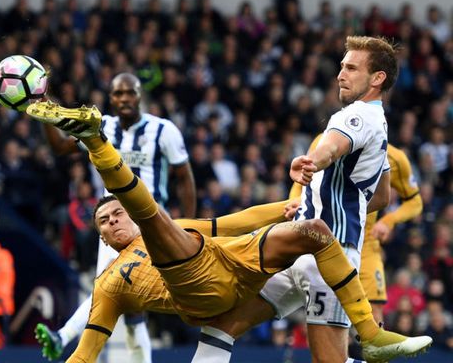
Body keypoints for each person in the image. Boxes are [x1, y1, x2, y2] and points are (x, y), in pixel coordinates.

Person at [25, 98, 431, 363]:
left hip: (233, 262)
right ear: (100, 237)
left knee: (312, 231)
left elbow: (231, 223)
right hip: (195, 287)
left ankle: (371, 335)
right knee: (149, 211)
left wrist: (286, 208)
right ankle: (96, 141)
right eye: (104, 221)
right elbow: (88, 350)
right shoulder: (110, 284)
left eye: (116, 214)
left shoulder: (177, 227)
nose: (114, 221)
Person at [192, 36, 407, 363]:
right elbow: (382, 195)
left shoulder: (358, 115)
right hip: (299, 249)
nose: (340, 74)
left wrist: (311, 162)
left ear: (377, 78)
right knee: (220, 327)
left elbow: (331, 148)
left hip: (328, 257)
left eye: (351, 67)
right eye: (341, 66)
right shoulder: (379, 124)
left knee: (328, 360)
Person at [35, 72, 196, 362]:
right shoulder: (102, 125)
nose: (124, 99)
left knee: (110, 289)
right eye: (118, 94)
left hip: (150, 221)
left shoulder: (164, 130)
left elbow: (184, 177)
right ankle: (65, 338)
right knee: (128, 305)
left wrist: (190, 224)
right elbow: (60, 148)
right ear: (110, 98)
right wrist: (44, 108)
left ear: (139, 96)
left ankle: (64, 336)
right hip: (111, 221)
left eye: (130, 93)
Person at [289, 138, 423, 326]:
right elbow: (301, 181)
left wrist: (388, 221)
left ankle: (373, 353)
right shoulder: (325, 141)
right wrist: (296, 202)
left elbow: (415, 202)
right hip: (325, 233)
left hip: (365, 241)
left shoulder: (395, 158)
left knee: (373, 309)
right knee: (319, 303)